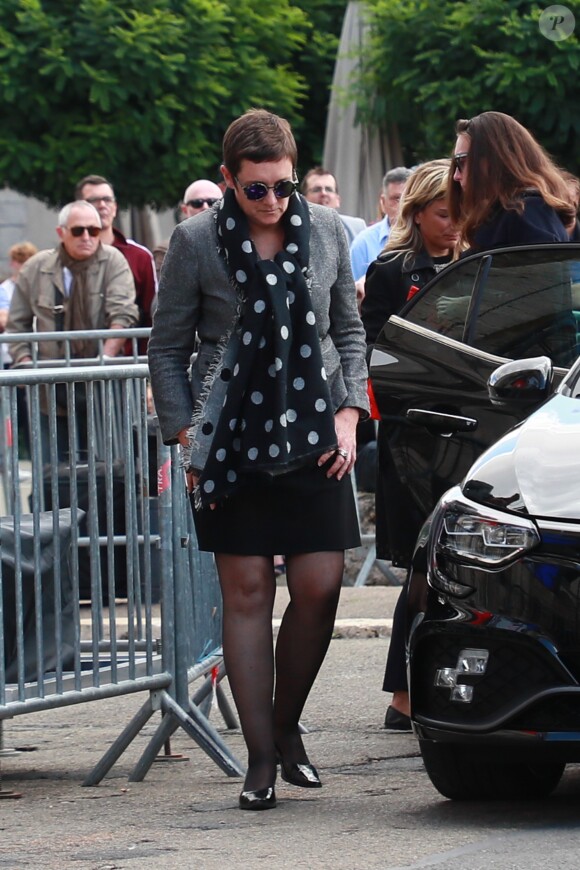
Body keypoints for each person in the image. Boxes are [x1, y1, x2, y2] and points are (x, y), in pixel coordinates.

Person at [148, 108, 369, 811]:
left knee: (320, 588)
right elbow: (167, 346)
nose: (272, 201)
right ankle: (261, 759)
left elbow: (349, 329)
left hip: (316, 437)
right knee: (245, 597)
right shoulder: (194, 242)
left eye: (281, 186)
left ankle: (285, 722)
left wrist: (349, 412)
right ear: (228, 181)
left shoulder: (330, 230)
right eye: (255, 190)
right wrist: (185, 432)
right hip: (230, 443)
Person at [361, 159, 460, 731]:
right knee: (425, 567)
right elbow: (374, 353)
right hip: (412, 439)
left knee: (455, 567)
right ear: (417, 213)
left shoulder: (478, 262)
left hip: (471, 431)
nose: (452, 224)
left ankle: (422, 690)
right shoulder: (392, 269)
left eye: (459, 214)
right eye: (443, 213)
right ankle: (402, 695)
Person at [7, 200, 138, 459]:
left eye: (94, 230)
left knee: (109, 470)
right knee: (51, 469)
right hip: (49, 390)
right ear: (61, 233)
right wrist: (25, 366)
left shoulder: (114, 261)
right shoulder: (36, 268)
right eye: (78, 231)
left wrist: (104, 360)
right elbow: (16, 326)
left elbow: (123, 315)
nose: (87, 237)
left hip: (103, 390)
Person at [449, 111, 573, 253]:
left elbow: (543, 273)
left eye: (462, 162)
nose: (456, 176)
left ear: (496, 159)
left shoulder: (526, 210)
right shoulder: (511, 212)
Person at [75, 174, 157, 352]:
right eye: (93, 200)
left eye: (107, 199)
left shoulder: (139, 256)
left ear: (115, 207)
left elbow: (153, 314)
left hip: (128, 364)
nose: (102, 205)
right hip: (74, 363)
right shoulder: (64, 258)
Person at [350, 167, 413, 282]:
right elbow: (353, 293)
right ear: (383, 203)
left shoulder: (429, 237)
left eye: (408, 197)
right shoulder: (363, 243)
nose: (403, 205)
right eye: (396, 199)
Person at [152, 178, 223, 277]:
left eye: (213, 202)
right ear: (185, 210)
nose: (205, 207)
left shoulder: (238, 241)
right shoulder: (168, 248)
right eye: (197, 203)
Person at [301, 167, 366, 245]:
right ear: (303, 200)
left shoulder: (357, 228)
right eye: (317, 190)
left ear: (338, 200)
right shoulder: (295, 230)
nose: (324, 193)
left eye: (329, 189)